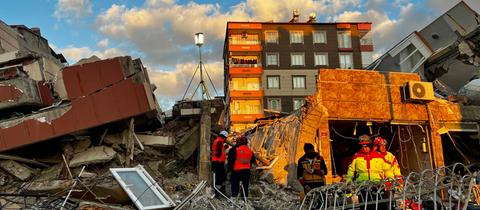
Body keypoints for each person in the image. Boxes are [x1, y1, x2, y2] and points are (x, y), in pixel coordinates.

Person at [211, 130, 228, 194]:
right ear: (224, 137)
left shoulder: (217, 141)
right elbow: (218, 153)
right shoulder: (219, 142)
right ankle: (218, 192)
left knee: (220, 177)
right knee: (220, 178)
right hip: (218, 162)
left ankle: (219, 191)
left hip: (217, 162)